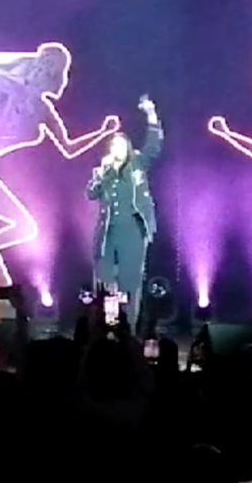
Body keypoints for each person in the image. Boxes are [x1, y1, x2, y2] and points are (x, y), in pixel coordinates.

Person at [87, 95, 163, 334]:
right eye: (113, 146)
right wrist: (101, 174)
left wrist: (151, 114)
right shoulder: (103, 171)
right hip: (108, 233)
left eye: (121, 145)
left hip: (133, 229)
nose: (116, 149)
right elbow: (90, 193)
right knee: (106, 281)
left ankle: (127, 330)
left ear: (128, 148)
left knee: (130, 281)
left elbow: (154, 145)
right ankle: (108, 327)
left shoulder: (138, 162)